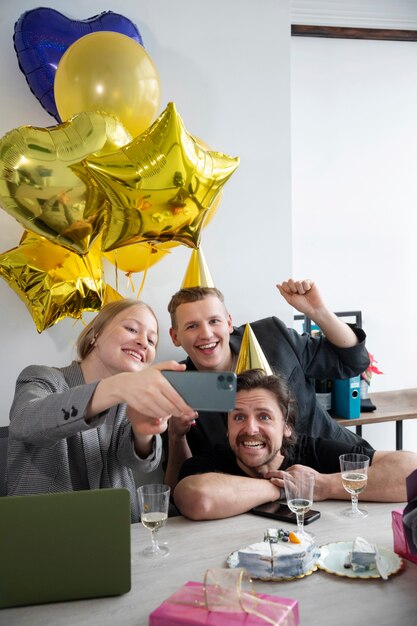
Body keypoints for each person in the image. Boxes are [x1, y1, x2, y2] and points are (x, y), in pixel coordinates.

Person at [164, 278, 371, 488]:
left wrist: (318, 312)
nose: (206, 334)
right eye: (192, 326)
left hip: (339, 469)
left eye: (214, 321)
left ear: (228, 323)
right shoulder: (177, 390)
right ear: (175, 336)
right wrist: (175, 436)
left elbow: (353, 362)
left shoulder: (272, 335)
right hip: (258, 498)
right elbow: (180, 483)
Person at [7, 299, 197, 522]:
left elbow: (141, 463)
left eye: (151, 340)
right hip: (44, 531)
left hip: (118, 527)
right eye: (131, 329)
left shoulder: (126, 401)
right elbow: (25, 422)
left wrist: (144, 432)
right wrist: (114, 387)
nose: (144, 343)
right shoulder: (42, 378)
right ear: (95, 334)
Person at [173, 369, 417, 520]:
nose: (250, 428)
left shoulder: (313, 451)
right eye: (238, 417)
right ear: (227, 428)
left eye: (264, 416)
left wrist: (323, 486)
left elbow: (410, 469)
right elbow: (195, 497)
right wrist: (284, 489)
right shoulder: (213, 459)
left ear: (286, 427)